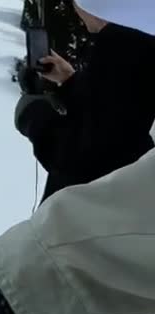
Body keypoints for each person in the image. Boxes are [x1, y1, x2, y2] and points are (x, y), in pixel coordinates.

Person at [0, 1, 155, 314]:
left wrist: (34, 117)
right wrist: (71, 84)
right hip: (100, 279)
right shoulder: (132, 46)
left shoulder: (129, 47)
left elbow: (89, 157)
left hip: (77, 289)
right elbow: (120, 136)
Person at [14, 0, 155, 204]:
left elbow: (85, 160)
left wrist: (34, 116)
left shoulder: (124, 49)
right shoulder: (136, 45)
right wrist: (71, 81)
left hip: (96, 224)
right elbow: (114, 116)